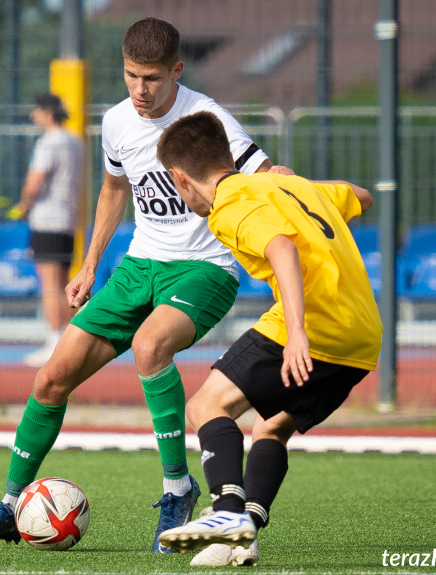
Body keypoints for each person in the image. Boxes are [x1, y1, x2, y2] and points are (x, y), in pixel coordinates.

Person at [0, 17, 286, 554]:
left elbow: (266, 173)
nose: (140, 90)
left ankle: (177, 488)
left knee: (150, 346)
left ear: (176, 71)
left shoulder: (209, 120)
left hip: (204, 269)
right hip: (137, 268)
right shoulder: (115, 122)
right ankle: (12, 506)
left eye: (152, 78)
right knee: (50, 379)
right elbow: (113, 190)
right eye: (131, 76)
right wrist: (88, 265)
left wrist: (301, 189)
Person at [153, 111, 383, 566]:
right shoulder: (289, 185)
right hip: (361, 336)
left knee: (204, 407)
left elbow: (281, 247)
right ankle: (243, 532)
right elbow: (363, 196)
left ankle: (225, 512)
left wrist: (296, 331)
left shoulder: (229, 205)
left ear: (180, 178)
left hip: (314, 323)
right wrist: (300, 187)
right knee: (272, 426)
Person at [8, 93, 83, 367]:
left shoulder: (48, 143)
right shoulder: (75, 142)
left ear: (47, 113)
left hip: (48, 220)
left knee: (50, 285)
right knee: (63, 283)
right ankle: (66, 341)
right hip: (68, 220)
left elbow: (35, 181)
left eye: (36, 111)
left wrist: (23, 205)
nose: (33, 116)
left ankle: (55, 342)